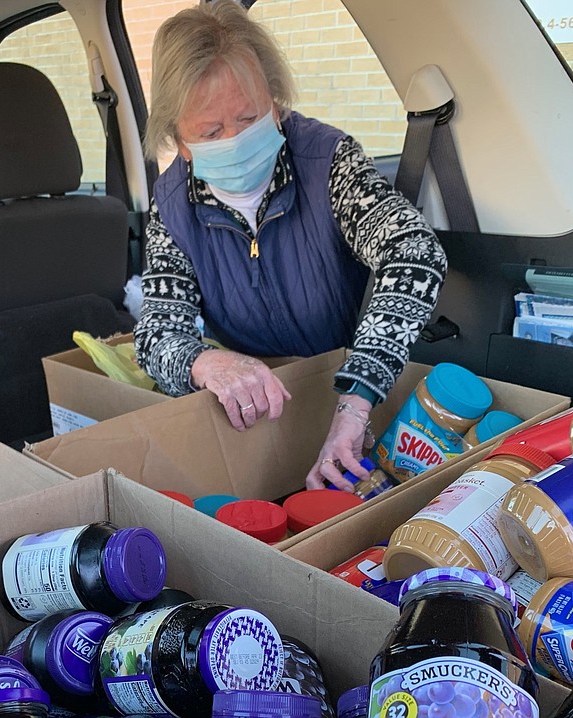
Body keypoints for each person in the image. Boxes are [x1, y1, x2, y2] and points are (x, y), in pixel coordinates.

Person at [134, 0, 447, 492]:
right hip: (256, 428)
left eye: (250, 117)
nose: (235, 139)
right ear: (180, 139)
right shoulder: (172, 203)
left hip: (359, 400)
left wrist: (355, 401)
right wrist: (209, 363)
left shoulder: (327, 161)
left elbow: (414, 253)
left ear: (275, 103)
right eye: (212, 132)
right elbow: (156, 335)